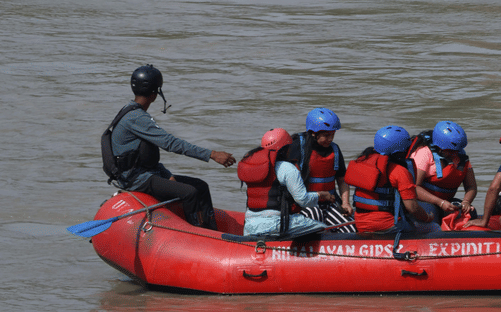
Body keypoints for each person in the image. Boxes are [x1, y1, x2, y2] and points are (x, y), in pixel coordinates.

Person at [103, 64, 235, 230]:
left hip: (144, 173)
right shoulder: (137, 118)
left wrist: (167, 175)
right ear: (155, 94)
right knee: (189, 192)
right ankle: (197, 234)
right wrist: (212, 154)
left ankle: (212, 230)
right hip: (136, 179)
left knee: (200, 186)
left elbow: (145, 156)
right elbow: (171, 144)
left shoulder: (130, 110)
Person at [238, 128, 332, 237]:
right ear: (285, 148)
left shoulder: (253, 168)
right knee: (323, 229)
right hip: (276, 224)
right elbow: (302, 200)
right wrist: (320, 195)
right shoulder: (287, 168)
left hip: (250, 225)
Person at [345, 126, 432, 233]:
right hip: (389, 226)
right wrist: (428, 217)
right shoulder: (400, 171)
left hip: (361, 225)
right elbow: (412, 207)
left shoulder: (362, 162)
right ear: (401, 151)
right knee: (434, 227)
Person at [288, 108, 355, 233]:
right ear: (313, 133)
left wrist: (346, 203)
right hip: (305, 204)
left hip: (329, 203)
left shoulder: (334, 150)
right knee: (316, 221)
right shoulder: (297, 146)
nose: (330, 139)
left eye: (332, 135)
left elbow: (342, 180)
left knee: (350, 228)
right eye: (326, 135)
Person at [409, 121, 478, 226]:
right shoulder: (424, 153)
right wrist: (439, 202)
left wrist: (466, 202)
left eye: (457, 150)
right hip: (426, 202)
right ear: (440, 146)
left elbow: (471, 186)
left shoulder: (461, 157)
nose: (455, 153)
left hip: (447, 201)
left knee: (471, 213)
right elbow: (415, 188)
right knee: (432, 216)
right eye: (451, 150)